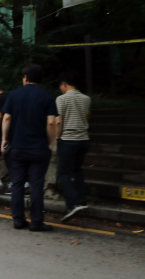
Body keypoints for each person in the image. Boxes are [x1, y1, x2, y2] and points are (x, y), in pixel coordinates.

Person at [1, 64, 57, 231]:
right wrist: (50, 143)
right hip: (39, 148)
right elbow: (51, 122)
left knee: (17, 184)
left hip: (17, 147)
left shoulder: (14, 95)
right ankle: (36, 222)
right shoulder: (47, 97)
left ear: (25, 78)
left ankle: (18, 220)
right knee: (37, 185)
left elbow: (6, 118)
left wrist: (5, 139)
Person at [56, 72, 91, 222]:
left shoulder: (61, 99)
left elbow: (58, 121)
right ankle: (82, 201)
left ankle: (72, 204)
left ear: (64, 84)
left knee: (63, 172)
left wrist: (58, 137)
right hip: (84, 140)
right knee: (78, 169)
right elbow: (87, 115)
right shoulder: (86, 99)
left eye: (61, 86)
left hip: (68, 139)